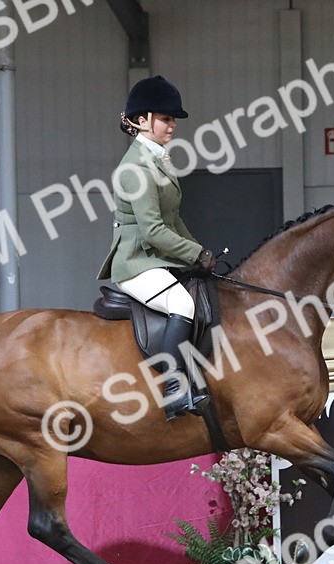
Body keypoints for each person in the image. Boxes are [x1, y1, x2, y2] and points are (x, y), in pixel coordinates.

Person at [97, 75, 216, 421]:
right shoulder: (134, 168)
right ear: (141, 121)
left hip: (157, 258)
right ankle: (173, 387)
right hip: (136, 262)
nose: (172, 125)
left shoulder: (157, 159)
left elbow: (173, 219)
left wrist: (199, 252)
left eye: (172, 119)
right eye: (165, 118)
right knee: (182, 302)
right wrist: (193, 255)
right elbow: (152, 231)